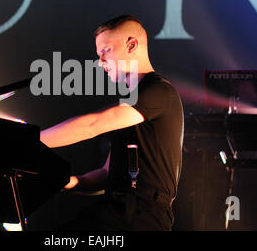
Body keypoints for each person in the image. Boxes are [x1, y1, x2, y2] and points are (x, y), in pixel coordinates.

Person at [40, 15, 184, 231]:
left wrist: (29, 140)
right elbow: (108, 174)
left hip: (140, 215)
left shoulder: (159, 92)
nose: (100, 62)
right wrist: (67, 181)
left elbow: (93, 124)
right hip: (120, 211)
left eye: (106, 51)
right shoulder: (131, 106)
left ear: (131, 45)